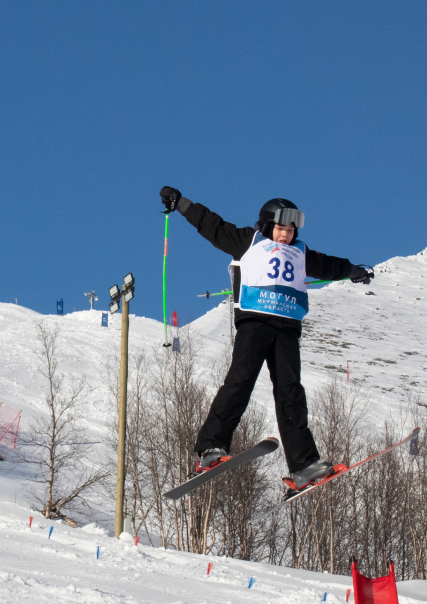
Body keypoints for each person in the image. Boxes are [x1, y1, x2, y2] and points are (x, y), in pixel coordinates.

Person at [159, 186, 374, 490]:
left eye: (290, 230)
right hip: (255, 322)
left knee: (291, 393)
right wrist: (181, 203)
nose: (285, 235)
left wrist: (353, 270)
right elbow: (212, 225)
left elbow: (327, 265)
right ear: (267, 225)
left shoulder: (300, 253)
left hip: (287, 327)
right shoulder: (249, 241)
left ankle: (303, 465)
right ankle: (210, 447)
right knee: (240, 380)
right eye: (280, 229)